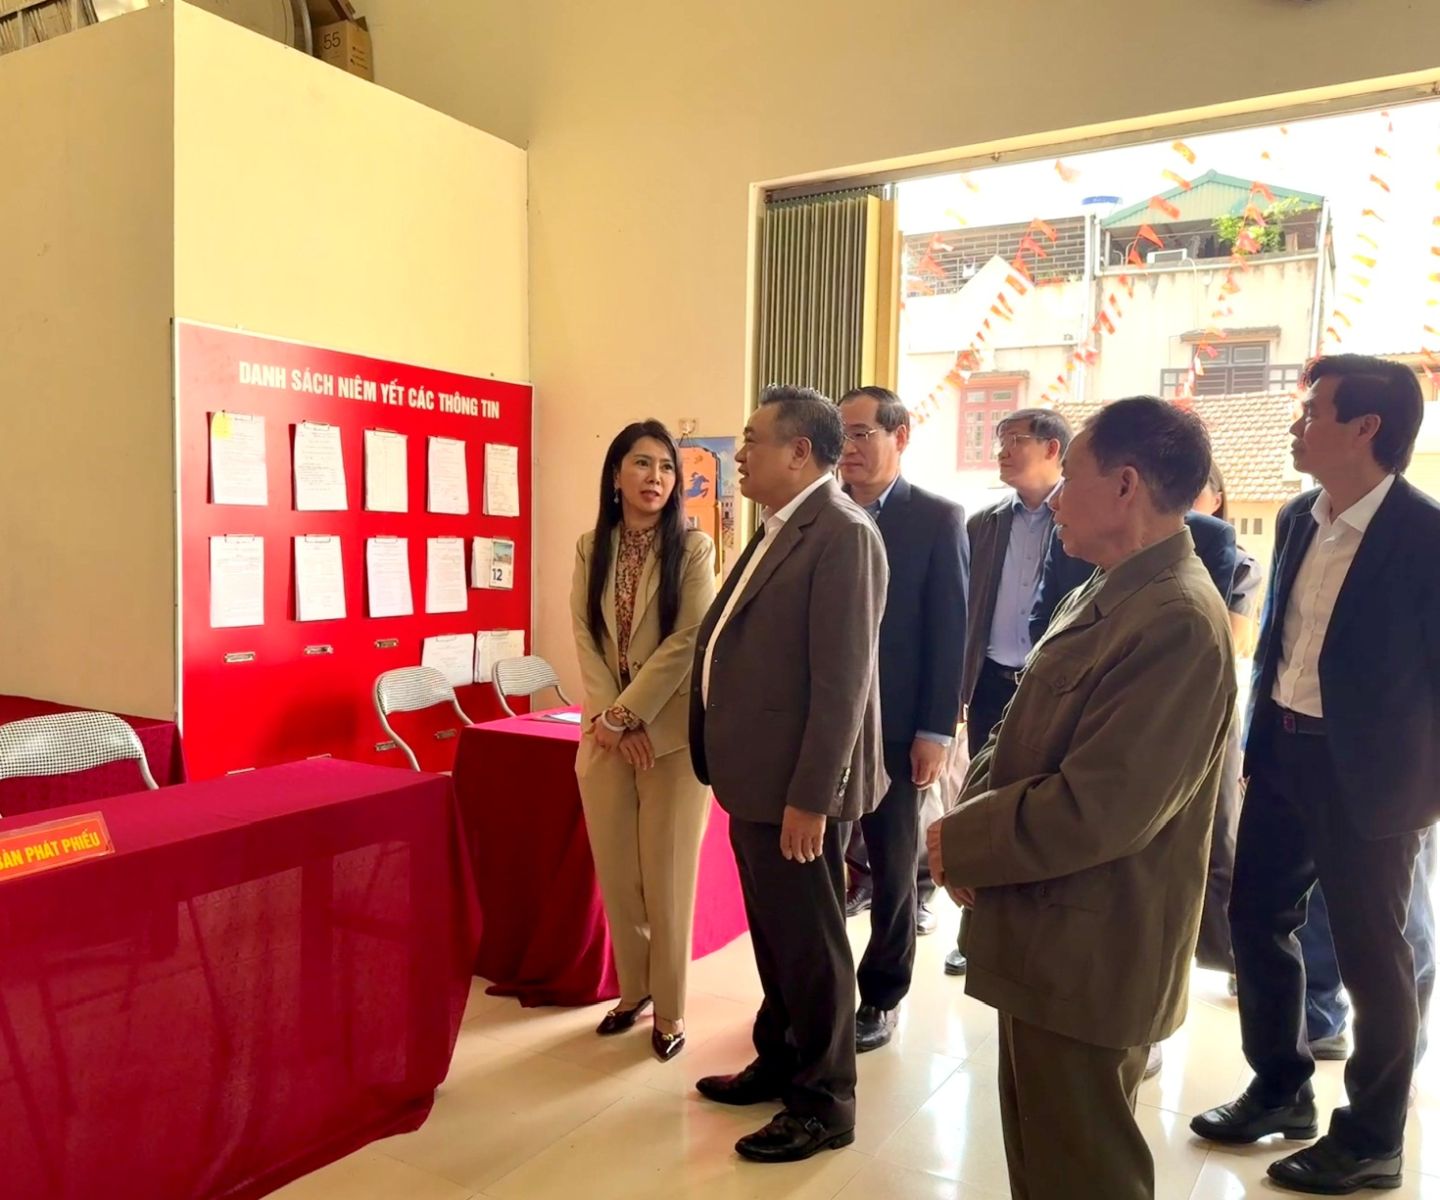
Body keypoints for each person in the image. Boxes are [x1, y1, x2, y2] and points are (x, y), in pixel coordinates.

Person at [928, 396, 1236, 1200]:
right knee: (1044, 1159)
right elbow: (1018, 727)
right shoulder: (1109, 588)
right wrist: (969, 828)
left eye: (1072, 476)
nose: (1057, 497)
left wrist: (963, 844)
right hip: (1051, 928)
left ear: (1126, 486)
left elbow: (1100, 807)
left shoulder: (1176, 619)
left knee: (1083, 1171)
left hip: (1095, 948)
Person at [1192, 354, 1440, 1195]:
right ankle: (1280, 1088)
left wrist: (1423, 791)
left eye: (1313, 412)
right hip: (1285, 751)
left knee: (1374, 955)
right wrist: (1256, 745)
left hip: (1373, 776)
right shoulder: (1300, 515)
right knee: (1255, 917)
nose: (1296, 425)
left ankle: (1372, 1138)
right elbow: (1282, 644)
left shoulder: (1426, 535)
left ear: (1366, 427)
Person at [690, 385, 888, 1164]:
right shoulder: (780, 524)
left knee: (811, 946)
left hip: (795, 788)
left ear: (800, 452)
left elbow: (843, 683)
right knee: (776, 936)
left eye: (753, 440)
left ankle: (824, 1101)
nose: (739, 454)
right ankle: (779, 1057)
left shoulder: (842, 533)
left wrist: (813, 798)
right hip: (754, 778)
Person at [569, 420, 717, 1062]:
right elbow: (585, 636)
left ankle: (671, 1010)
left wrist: (632, 716)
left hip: (671, 740)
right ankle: (634, 992)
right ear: (616, 475)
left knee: (667, 879)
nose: (655, 477)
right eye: (641, 463)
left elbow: (688, 640)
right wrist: (610, 719)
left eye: (665, 467)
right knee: (620, 876)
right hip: (605, 738)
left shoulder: (695, 548)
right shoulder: (590, 547)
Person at [835, 385, 968, 1052]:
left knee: (892, 869)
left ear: (901, 436)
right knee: (819, 864)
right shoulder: (823, 513)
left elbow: (950, 631)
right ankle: (822, 991)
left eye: (862, 433)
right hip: (828, 727)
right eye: (841, 435)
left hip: (895, 729)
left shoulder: (937, 518)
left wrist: (935, 732)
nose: (849, 448)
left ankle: (881, 996)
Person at [945, 407, 1072, 979]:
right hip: (994, 682)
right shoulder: (985, 524)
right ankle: (977, 931)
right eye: (999, 440)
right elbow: (964, 612)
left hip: (1054, 685)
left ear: (1052, 448)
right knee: (984, 802)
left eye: (1014, 440)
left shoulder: (1080, 516)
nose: (1001, 451)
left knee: (1042, 810)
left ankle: (1036, 932)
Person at [1192, 462, 1259, 990]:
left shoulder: (1236, 561)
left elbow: (1231, 642)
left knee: (1220, 836)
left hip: (1212, 707)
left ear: (1217, 499)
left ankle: (1235, 955)